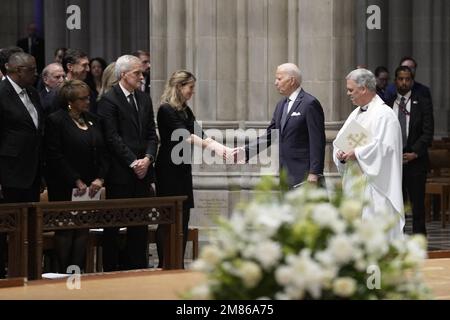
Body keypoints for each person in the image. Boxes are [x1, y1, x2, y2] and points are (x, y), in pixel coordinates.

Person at [155, 70, 229, 268]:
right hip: (168, 170)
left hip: (182, 169)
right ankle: (165, 263)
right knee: (168, 218)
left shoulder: (184, 110)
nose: (192, 92)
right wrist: (215, 148)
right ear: (179, 87)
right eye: (190, 87)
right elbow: (185, 135)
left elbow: (199, 132)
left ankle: (177, 263)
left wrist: (223, 150)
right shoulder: (166, 109)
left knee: (184, 217)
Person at [97, 55, 158, 271]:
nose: (142, 77)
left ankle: (137, 267)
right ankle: (111, 270)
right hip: (121, 172)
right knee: (115, 223)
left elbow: (152, 133)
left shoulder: (144, 98)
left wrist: (148, 159)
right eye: (137, 73)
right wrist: (134, 162)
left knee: (139, 223)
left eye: (142, 73)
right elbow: (112, 138)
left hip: (143, 171)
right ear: (123, 75)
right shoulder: (109, 100)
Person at [44, 80, 109, 273]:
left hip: (90, 185)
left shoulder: (92, 119)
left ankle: (76, 275)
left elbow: (104, 152)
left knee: (82, 229)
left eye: (88, 97)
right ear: (70, 101)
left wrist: (100, 178)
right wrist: (75, 179)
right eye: (83, 99)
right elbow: (54, 155)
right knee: (66, 229)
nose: (87, 101)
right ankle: (62, 274)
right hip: (65, 184)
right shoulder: (56, 120)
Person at [333, 68, 404, 239]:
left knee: (374, 236)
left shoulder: (384, 115)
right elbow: (342, 141)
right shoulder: (356, 114)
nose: (348, 93)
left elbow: (386, 149)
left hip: (375, 187)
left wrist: (357, 153)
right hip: (355, 183)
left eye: (351, 90)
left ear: (364, 88)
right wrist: (341, 153)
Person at [232, 63, 326, 188]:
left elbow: (317, 141)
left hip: (305, 176)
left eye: (279, 79)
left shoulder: (310, 104)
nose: (276, 83)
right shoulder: (281, 105)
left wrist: (315, 172)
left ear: (292, 80)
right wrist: (245, 152)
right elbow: (270, 136)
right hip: (286, 175)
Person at [0, 52, 44, 278]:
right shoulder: (1, 93)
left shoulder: (34, 93)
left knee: (29, 226)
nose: (36, 73)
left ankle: (28, 271)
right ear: (18, 71)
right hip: (8, 174)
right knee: (6, 227)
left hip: (32, 171)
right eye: (32, 70)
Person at [385, 66, 434, 235]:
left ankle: (419, 241)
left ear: (412, 81)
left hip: (416, 162)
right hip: (394, 162)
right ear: (395, 80)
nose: (404, 82)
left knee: (417, 205)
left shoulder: (422, 101)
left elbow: (428, 132)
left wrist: (415, 152)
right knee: (397, 203)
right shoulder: (388, 101)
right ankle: (398, 239)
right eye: (400, 79)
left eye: (407, 79)